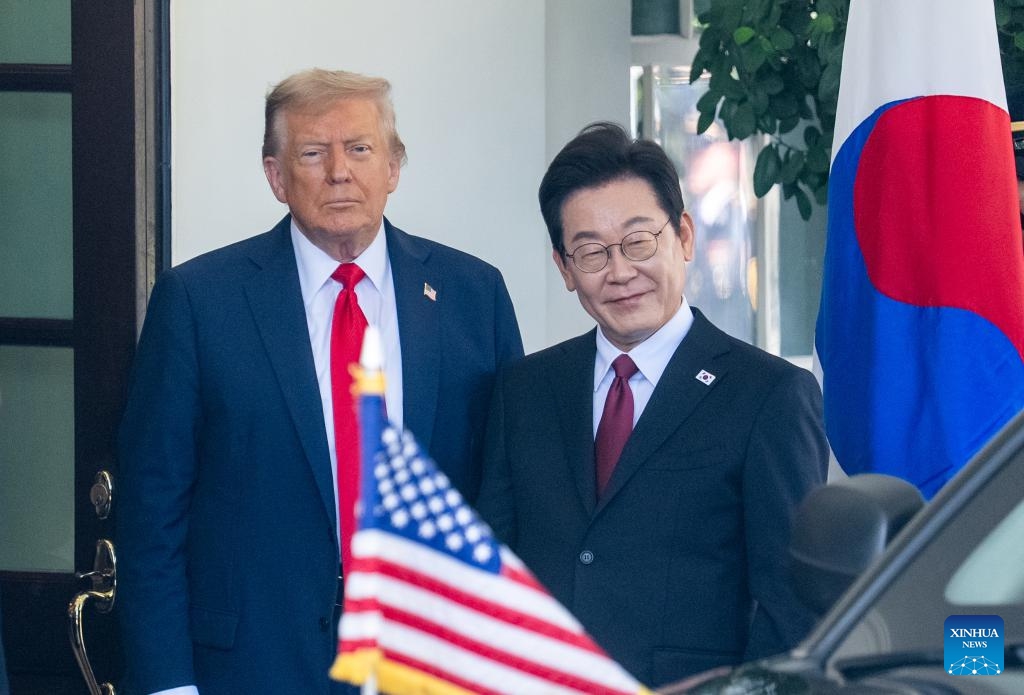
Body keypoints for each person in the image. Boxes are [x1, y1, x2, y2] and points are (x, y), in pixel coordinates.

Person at [117, 68, 523, 695]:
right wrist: (168, 684)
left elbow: (507, 492)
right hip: (250, 667)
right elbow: (152, 514)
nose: (339, 172)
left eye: (359, 148)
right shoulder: (198, 302)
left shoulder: (473, 295)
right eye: (312, 153)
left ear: (394, 167)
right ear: (275, 176)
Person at [477, 122, 828, 688]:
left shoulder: (769, 396)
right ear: (564, 268)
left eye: (639, 241)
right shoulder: (525, 390)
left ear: (683, 236)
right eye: (591, 252)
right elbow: (490, 570)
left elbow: (793, 609)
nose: (620, 272)